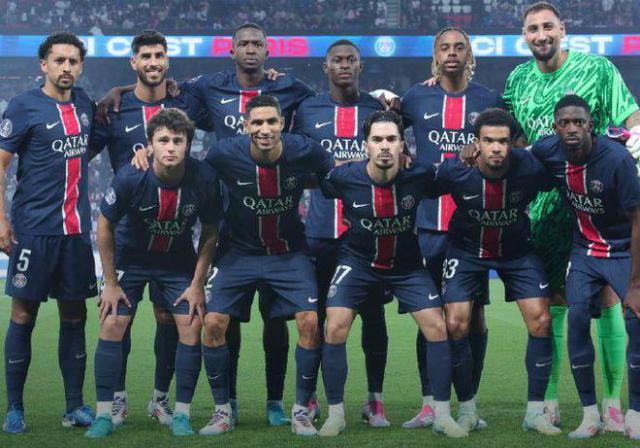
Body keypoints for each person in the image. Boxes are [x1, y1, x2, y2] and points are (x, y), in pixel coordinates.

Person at [120, 22, 313, 425]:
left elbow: (328, 105)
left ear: (267, 50)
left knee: (276, 320)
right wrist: (118, 93)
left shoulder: (290, 88)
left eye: (257, 44)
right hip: (230, 226)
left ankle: (276, 402)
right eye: (243, 44)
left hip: (279, 225)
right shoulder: (209, 86)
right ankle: (229, 403)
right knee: (224, 319)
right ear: (232, 50)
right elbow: (161, 92)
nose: (250, 49)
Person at [502, 2, 640, 428]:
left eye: (548, 26)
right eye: (532, 29)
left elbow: (630, 115)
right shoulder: (517, 79)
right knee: (554, 302)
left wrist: (637, 138)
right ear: (524, 36)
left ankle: (612, 403)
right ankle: (550, 401)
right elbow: (511, 136)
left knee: (610, 298)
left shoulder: (596, 68)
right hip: (544, 207)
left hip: (598, 202)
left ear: (562, 29)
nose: (541, 34)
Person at [318, 110, 466, 438]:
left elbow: (453, 177)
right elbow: (319, 180)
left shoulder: (420, 174)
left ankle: (442, 414)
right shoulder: (344, 177)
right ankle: (335, 415)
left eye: (391, 139)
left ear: (402, 145)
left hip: (406, 266)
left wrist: (468, 154)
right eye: (377, 139)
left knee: (437, 327)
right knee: (334, 326)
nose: (384, 146)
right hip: (358, 262)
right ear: (366, 146)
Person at [90, 29, 211, 427]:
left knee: (168, 319)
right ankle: (116, 400)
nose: (154, 62)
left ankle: (161, 399)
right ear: (134, 62)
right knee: (117, 320)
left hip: (175, 242)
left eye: (160, 55)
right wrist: (115, 91)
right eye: (146, 56)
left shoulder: (184, 101)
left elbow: (229, 90)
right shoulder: (114, 109)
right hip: (130, 236)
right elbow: (83, 156)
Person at [200, 94, 333, 436]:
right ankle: (222, 411)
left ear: (282, 124)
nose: (265, 129)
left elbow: (329, 172)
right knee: (213, 323)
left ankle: (301, 411)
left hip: (288, 254)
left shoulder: (304, 149)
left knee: (309, 322)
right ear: (245, 126)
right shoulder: (223, 153)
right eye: (257, 122)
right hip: (238, 253)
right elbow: (195, 176)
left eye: (271, 121)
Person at [432, 108, 560, 435]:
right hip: (466, 250)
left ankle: (535, 413)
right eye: (488, 141)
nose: (496, 148)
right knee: (455, 323)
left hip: (516, 251)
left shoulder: (529, 167)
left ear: (512, 143)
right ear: (476, 143)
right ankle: (467, 411)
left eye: (503, 141)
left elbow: (562, 172)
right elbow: (418, 183)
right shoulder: (456, 171)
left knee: (542, 320)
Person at [398, 27, 501, 430]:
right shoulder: (416, 97)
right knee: (430, 315)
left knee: (473, 317)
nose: (452, 52)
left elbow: (510, 146)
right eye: (445, 47)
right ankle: (430, 403)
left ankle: (469, 404)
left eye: (460, 47)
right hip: (427, 224)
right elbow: (385, 128)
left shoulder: (488, 100)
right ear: (436, 56)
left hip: (473, 226)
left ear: (470, 54)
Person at [0, 32, 97, 433]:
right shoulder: (24, 106)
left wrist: (122, 90)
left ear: (81, 66)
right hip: (33, 232)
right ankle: (15, 408)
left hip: (75, 233)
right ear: (44, 65)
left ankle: (74, 407)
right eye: (59, 60)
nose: (66, 67)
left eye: (73, 61)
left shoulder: (86, 105)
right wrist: (1, 219)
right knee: (23, 314)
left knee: (74, 316)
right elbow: (1, 164)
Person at [292, 39, 390, 427]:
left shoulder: (377, 110)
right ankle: (313, 398)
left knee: (373, 318)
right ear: (326, 67)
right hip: (320, 233)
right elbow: (298, 165)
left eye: (351, 59)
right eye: (338, 60)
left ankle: (375, 400)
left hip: (368, 234)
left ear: (361, 66)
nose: (345, 65)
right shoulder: (307, 109)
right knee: (317, 320)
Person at [530, 95, 640, 440]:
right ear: (555, 128)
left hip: (621, 251)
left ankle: (635, 413)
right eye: (565, 123)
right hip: (584, 252)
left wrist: (636, 284)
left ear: (591, 125)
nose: (572, 129)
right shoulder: (548, 151)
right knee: (576, 318)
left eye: (579, 122)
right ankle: (590, 415)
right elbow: (519, 154)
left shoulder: (618, 159)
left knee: (636, 320)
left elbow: (638, 219)